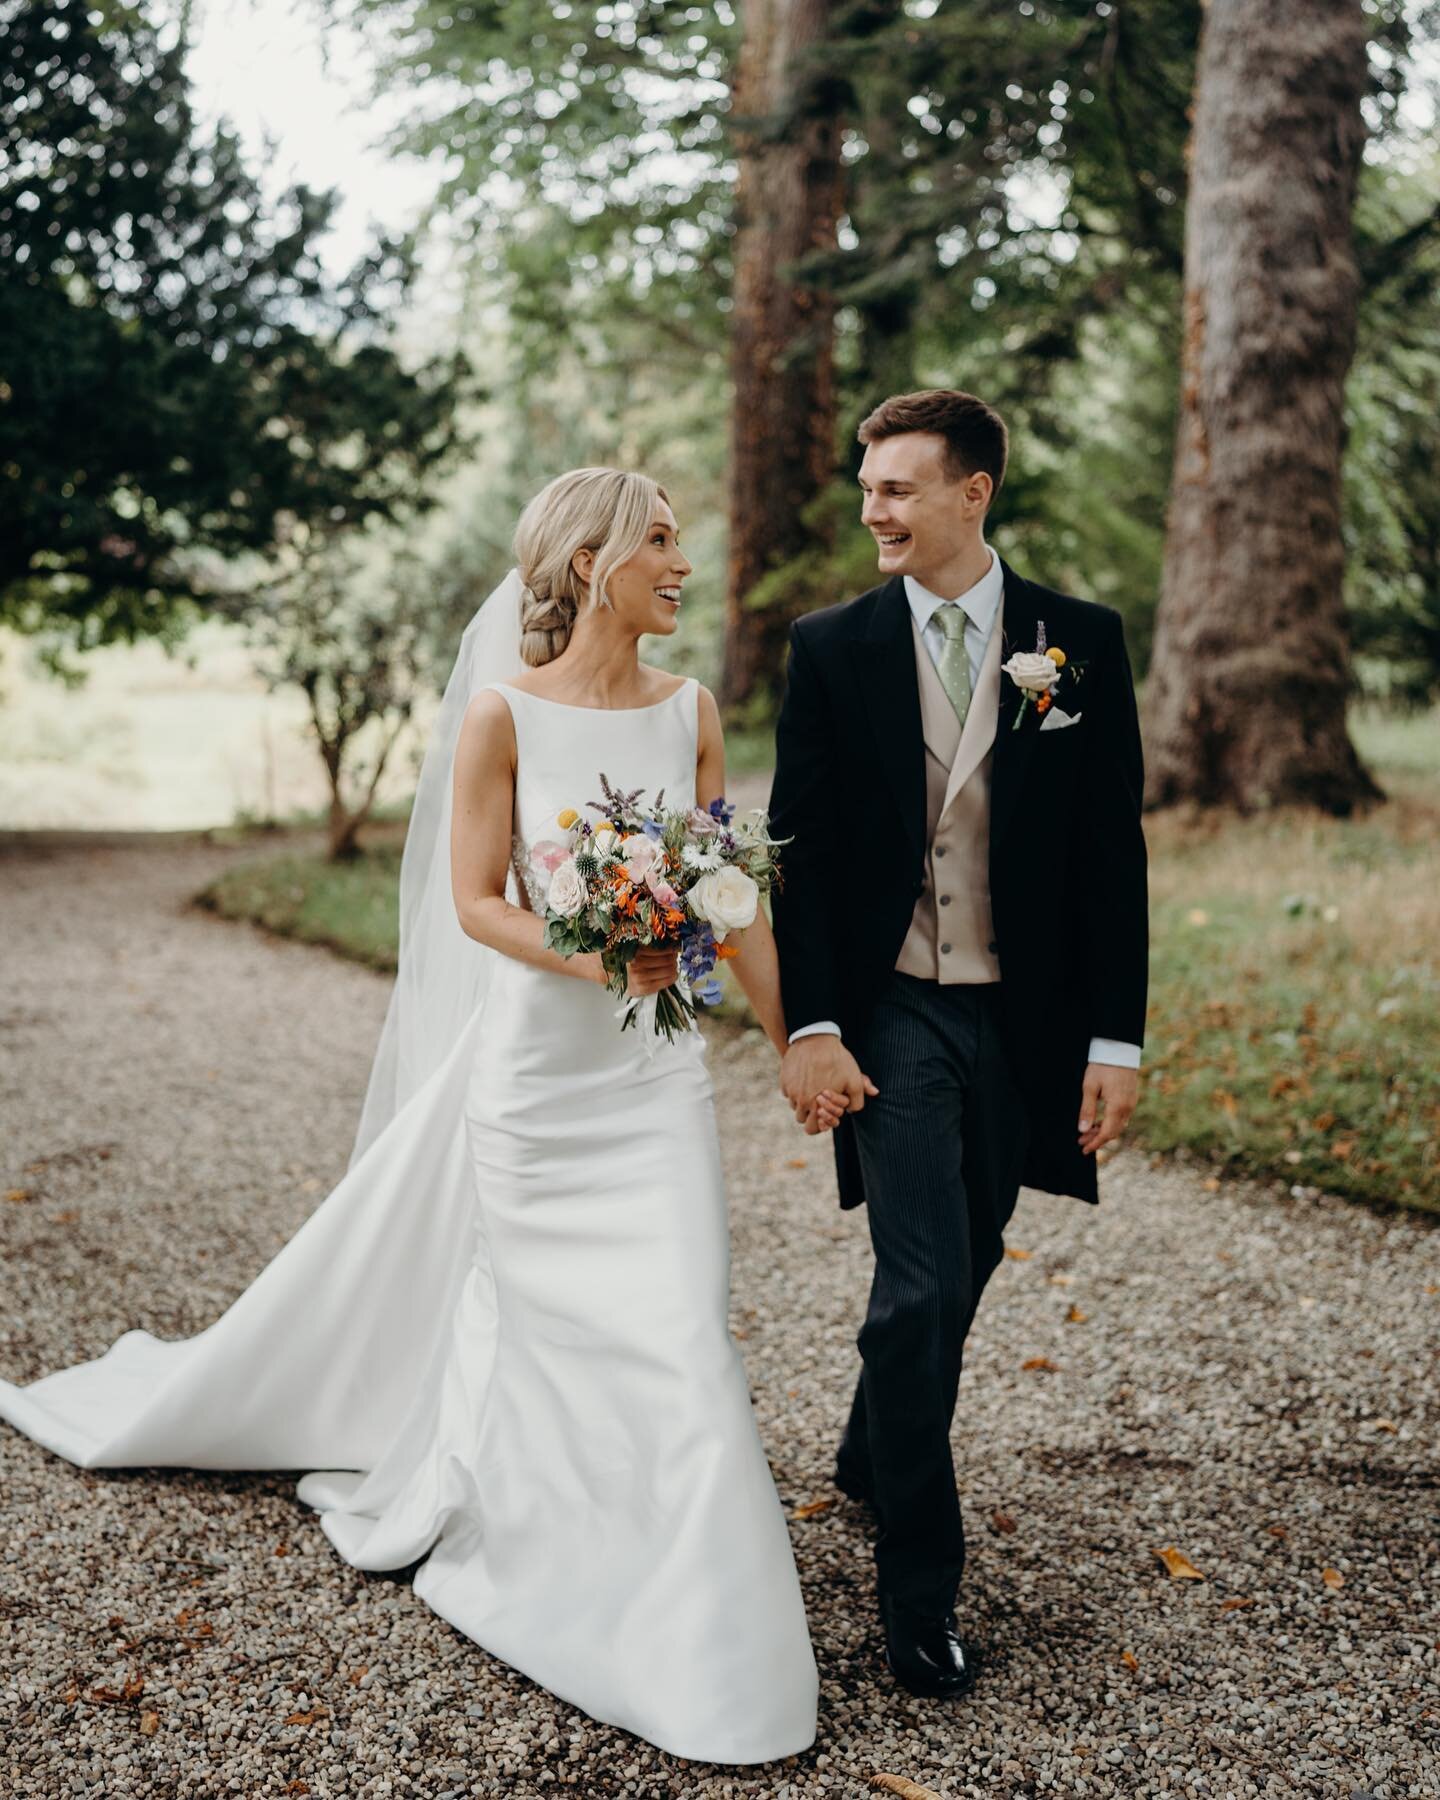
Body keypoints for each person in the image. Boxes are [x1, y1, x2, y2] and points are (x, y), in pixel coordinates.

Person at [0, 467, 834, 1765]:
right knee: (559, 1332)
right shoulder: (505, 716)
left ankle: (690, 1625)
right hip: (539, 1085)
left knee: (677, 1335)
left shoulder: (692, 713)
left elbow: (729, 897)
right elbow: (476, 904)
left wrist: (799, 1043)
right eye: (661, 543)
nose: (686, 562)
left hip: (650, 1085)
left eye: (682, 541)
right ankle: (551, 1545)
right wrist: (602, 949)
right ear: (588, 563)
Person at [769, 389, 1149, 1699]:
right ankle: (919, 1591)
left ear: (972, 493)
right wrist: (813, 1022)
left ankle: (877, 1447)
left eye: (897, 488)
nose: (873, 507)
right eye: (868, 486)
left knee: (970, 1257)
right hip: (898, 1011)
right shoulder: (833, 649)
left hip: (1027, 1013)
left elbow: (1109, 854)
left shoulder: (1064, 645)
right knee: (922, 1285)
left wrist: (1118, 1036)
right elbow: (798, 862)